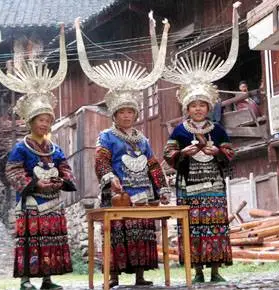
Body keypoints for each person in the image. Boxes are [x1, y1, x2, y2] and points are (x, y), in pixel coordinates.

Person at [76, 14, 172, 287]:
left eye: (131, 111)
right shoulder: (106, 136)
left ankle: (141, 275)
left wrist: (162, 188)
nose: (128, 116)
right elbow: (101, 162)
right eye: (123, 112)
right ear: (115, 114)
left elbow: (153, 164)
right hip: (118, 194)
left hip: (142, 193)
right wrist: (110, 179)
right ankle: (114, 275)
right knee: (117, 233)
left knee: (142, 232)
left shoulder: (142, 138)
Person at [0, 24, 77, 290]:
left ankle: (48, 279)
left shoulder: (55, 148)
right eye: (40, 120)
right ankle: (26, 280)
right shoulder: (21, 147)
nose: (45, 124)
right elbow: (13, 172)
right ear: (31, 122)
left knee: (51, 239)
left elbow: (65, 168)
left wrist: (61, 181)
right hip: (31, 202)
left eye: (48, 120)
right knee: (30, 240)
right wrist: (35, 184)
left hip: (52, 200)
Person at [162, 5, 240, 282]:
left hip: (214, 187)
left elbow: (230, 152)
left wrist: (216, 150)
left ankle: (216, 271)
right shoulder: (180, 130)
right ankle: (196, 272)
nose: (197, 110)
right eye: (193, 105)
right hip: (189, 186)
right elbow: (168, 153)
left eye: (202, 105)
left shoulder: (217, 129)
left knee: (215, 226)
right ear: (186, 107)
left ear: (208, 107)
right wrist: (182, 152)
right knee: (193, 228)